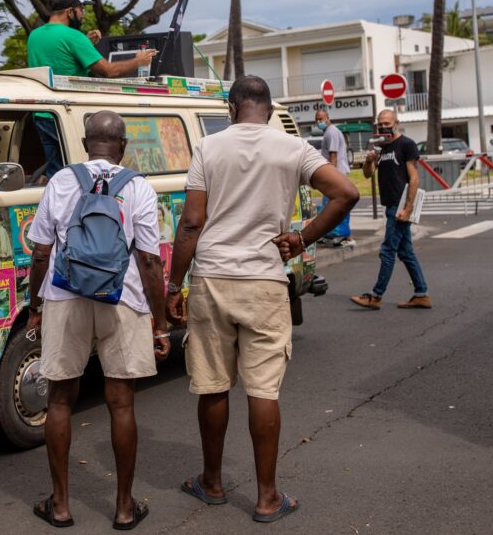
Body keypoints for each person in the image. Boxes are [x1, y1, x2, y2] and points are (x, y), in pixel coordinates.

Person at [165, 76, 359, 523]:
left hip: (213, 277)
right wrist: (303, 238)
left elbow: (192, 223)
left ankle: (211, 481)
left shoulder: (209, 148)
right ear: (269, 111)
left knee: (213, 384)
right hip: (267, 281)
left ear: (231, 108)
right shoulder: (292, 147)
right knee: (263, 389)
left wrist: (174, 286)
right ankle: (267, 497)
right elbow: (345, 192)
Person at [25, 110, 171, 529]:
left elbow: (40, 252)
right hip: (122, 297)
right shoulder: (139, 187)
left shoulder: (61, 181)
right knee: (121, 404)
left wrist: (36, 307)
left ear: (85, 144)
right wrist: (158, 322)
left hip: (65, 296)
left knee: (58, 401)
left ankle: (62, 505)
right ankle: (125, 508)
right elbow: (147, 260)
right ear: (122, 146)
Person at [26, 0, 156, 182]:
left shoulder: (35, 36)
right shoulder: (73, 36)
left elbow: (60, 62)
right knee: (79, 175)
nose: (83, 14)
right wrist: (139, 61)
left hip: (43, 114)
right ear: (69, 11)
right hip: (69, 114)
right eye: (81, 9)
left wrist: (86, 44)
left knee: (57, 170)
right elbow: (109, 71)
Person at [351, 109, 431, 310]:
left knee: (388, 251)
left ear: (396, 122)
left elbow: (414, 178)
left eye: (387, 123)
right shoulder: (381, 147)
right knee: (406, 252)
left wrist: (408, 209)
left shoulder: (406, 144)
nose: (383, 127)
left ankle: (376, 296)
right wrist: (370, 160)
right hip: (390, 205)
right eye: (380, 124)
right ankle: (421, 294)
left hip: (399, 205)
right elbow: (368, 174)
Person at [315, 108, 354, 247]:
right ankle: (334, 233)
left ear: (327, 117)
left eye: (321, 119)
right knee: (331, 204)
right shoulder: (330, 132)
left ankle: (345, 235)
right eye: (317, 119)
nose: (319, 122)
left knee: (335, 204)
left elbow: (333, 156)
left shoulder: (331, 132)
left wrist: (330, 176)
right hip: (338, 173)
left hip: (337, 173)